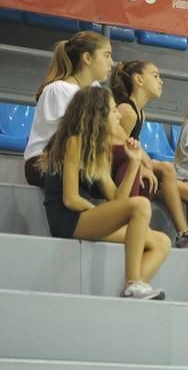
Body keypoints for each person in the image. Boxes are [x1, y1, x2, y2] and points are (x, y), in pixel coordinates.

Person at [40, 86, 170, 299]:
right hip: (67, 219)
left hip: (85, 217)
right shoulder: (74, 141)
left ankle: (129, 297)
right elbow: (70, 199)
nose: (119, 115)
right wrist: (105, 214)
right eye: (113, 111)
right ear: (97, 115)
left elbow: (117, 198)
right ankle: (132, 283)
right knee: (140, 205)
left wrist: (135, 161)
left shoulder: (97, 149)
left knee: (162, 242)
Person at [109, 60, 188, 249]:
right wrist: (144, 166)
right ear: (138, 80)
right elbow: (119, 148)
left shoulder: (140, 113)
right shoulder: (126, 110)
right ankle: (183, 234)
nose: (162, 81)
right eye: (155, 75)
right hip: (119, 172)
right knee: (166, 168)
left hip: (134, 167)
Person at [24, 31, 113, 186]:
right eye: (106, 55)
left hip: (76, 160)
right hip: (43, 162)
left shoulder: (95, 88)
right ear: (87, 58)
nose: (111, 62)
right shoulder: (58, 90)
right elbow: (73, 135)